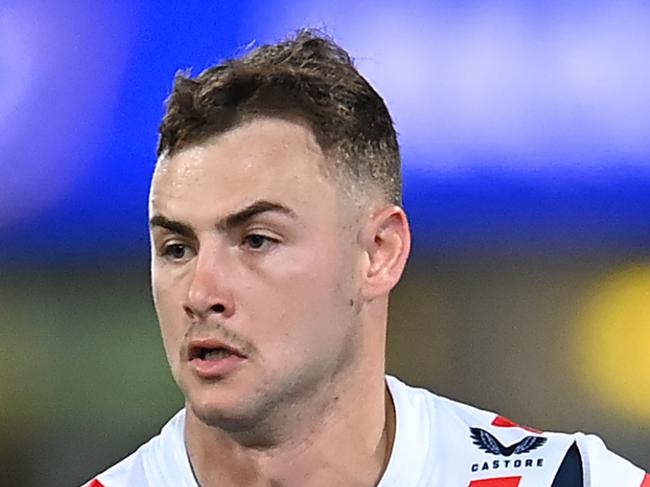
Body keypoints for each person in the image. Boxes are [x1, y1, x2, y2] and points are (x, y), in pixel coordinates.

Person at [83, 29, 649, 487]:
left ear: (379, 253)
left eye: (256, 240)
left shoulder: (568, 480)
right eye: (176, 248)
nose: (201, 292)